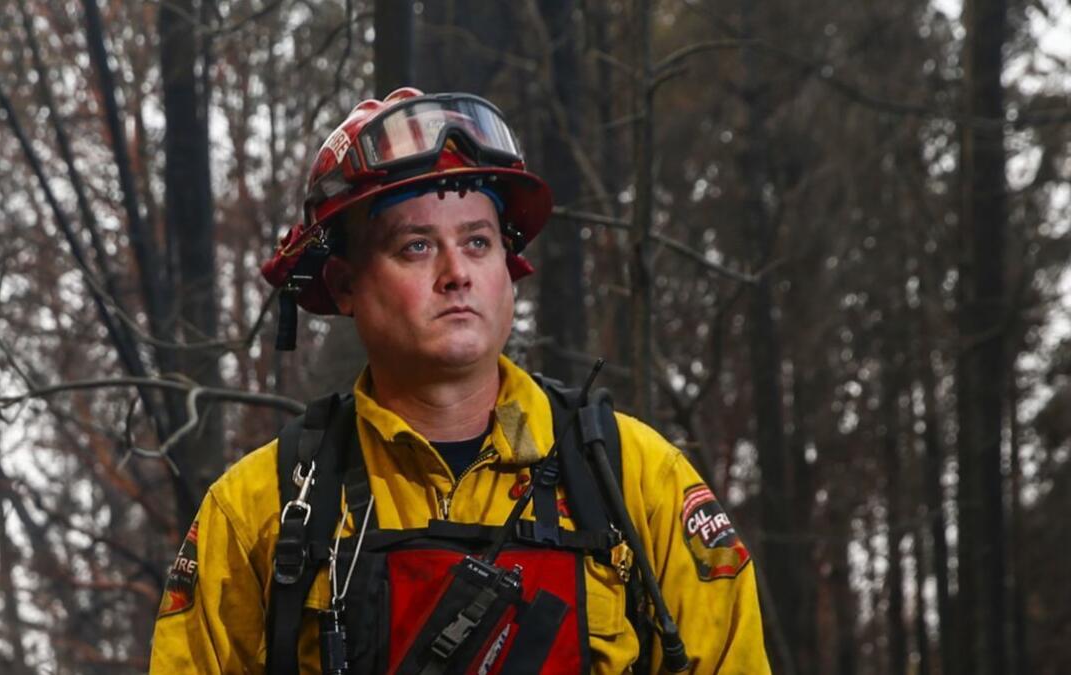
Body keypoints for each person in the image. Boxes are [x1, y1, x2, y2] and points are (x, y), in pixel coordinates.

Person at [150, 88, 770, 674]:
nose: (457, 274)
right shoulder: (260, 510)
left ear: (508, 268)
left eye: (478, 242)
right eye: (417, 247)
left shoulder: (634, 481)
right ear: (345, 286)